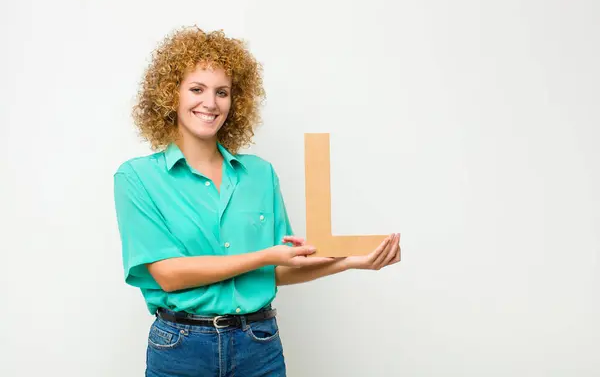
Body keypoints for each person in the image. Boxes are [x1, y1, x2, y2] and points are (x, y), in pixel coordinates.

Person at [112, 26, 401, 377]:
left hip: (258, 345)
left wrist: (353, 261)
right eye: (197, 89)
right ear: (170, 95)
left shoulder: (260, 175)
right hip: (181, 348)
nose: (210, 103)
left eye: (222, 92)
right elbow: (168, 275)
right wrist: (265, 255)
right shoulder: (138, 178)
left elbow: (278, 269)